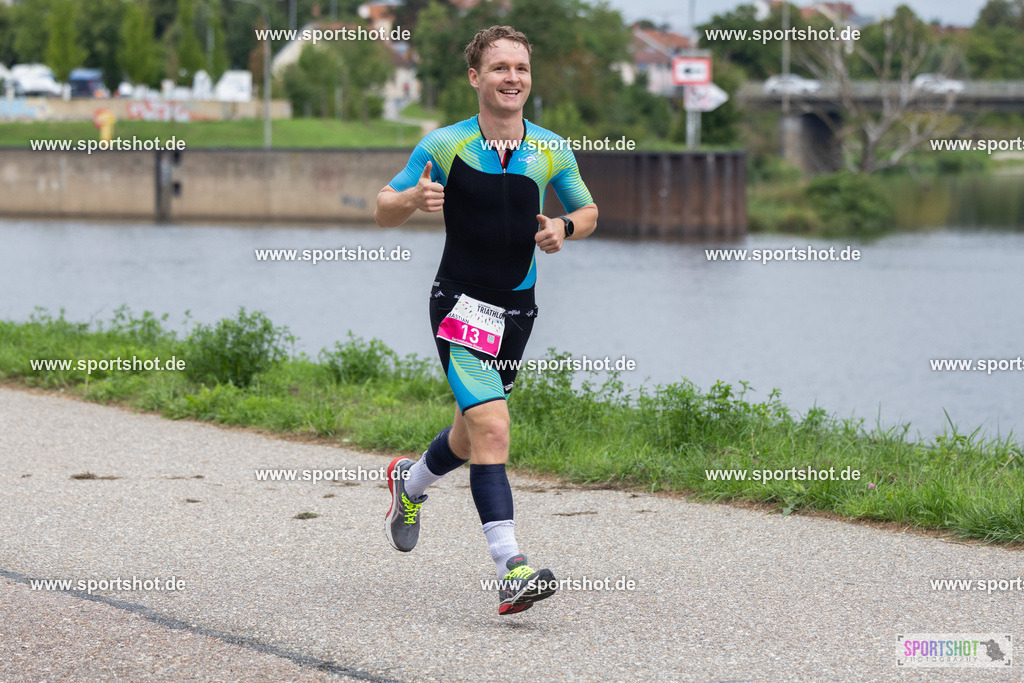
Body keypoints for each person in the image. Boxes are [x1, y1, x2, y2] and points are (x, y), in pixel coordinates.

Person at [374, 25, 598, 615]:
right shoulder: (444, 145)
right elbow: (382, 208)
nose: (512, 78)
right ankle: (509, 565)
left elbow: (588, 208)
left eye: (521, 68)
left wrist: (564, 228)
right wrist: (411, 201)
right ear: (476, 78)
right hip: (461, 304)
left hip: (517, 309)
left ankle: (410, 482)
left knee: (470, 434)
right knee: (494, 429)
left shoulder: (551, 147)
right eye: (500, 68)